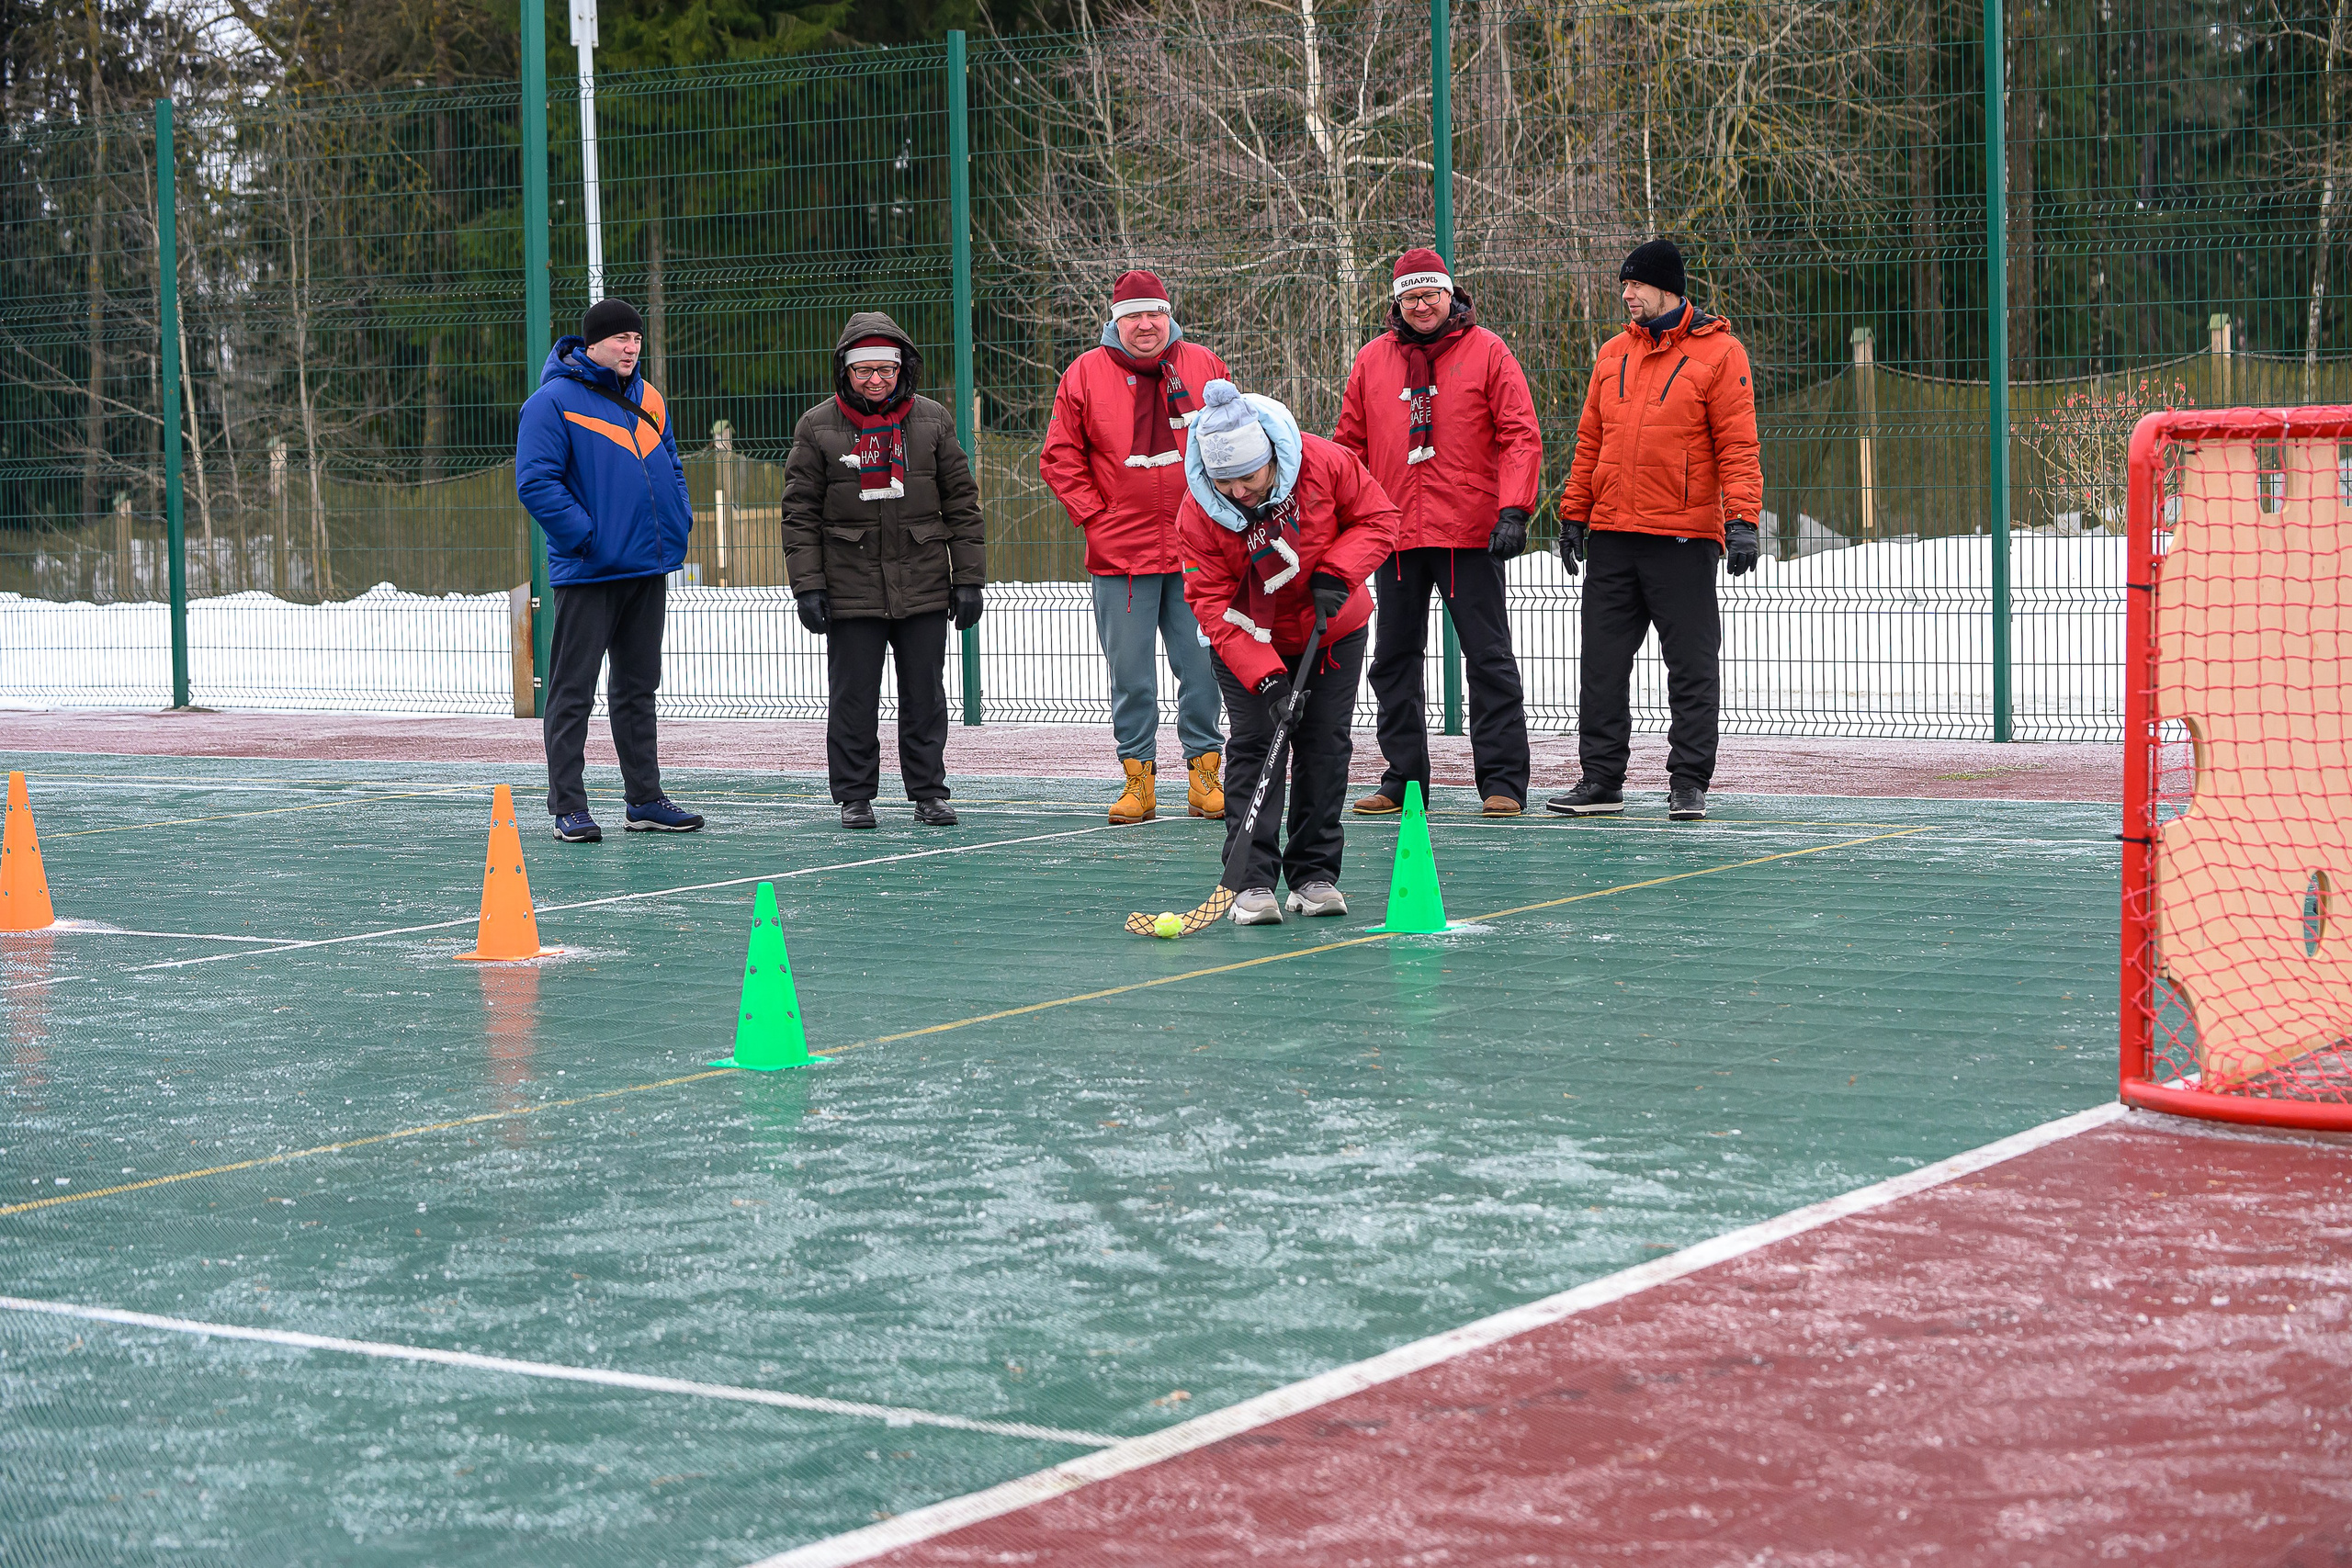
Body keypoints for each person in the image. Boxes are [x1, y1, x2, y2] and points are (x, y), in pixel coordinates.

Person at [1550, 238, 1761, 822]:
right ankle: (1600, 782)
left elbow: (1738, 444)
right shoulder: (1612, 352)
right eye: (1625, 285)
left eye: (1635, 285)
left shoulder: (1721, 354)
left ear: (1667, 287)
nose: (1627, 295)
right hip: (1613, 533)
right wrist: (1574, 514)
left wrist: (1742, 518)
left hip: (1684, 536)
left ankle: (1688, 782)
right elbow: (1591, 440)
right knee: (1601, 664)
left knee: (1691, 665)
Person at [1179, 380, 1399, 925]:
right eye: (1224, 482)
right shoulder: (1199, 512)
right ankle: (1250, 883)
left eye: (1249, 478)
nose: (1239, 493)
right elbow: (1209, 602)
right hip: (1247, 638)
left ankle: (1314, 875)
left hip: (1332, 629)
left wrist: (1337, 572)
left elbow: (1380, 518)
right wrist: (1268, 680)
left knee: (1324, 745)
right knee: (1258, 744)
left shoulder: (1324, 461)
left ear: (1272, 457)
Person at [1335, 247, 1542, 819]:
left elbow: (1519, 435)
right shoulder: (1372, 360)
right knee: (1393, 660)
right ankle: (1403, 779)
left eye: (1431, 295)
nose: (1422, 306)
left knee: (1489, 656)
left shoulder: (1489, 351)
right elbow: (1348, 447)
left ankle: (1502, 782)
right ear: (1395, 302)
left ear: (1451, 295)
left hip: (1469, 532)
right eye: (1410, 297)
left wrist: (1513, 509)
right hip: (1394, 532)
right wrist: (1347, 516)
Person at [1040, 270, 1231, 826]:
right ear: (1115, 321)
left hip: (1198, 549)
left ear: (1169, 315)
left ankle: (1204, 776)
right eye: (1133, 316)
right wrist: (1097, 517)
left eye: (1155, 313)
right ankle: (1138, 782)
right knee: (1131, 675)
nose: (1145, 325)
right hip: (1119, 555)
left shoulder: (1204, 365)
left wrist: (1227, 515)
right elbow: (1060, 457)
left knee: (1203, 667)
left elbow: (1236, 438)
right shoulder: (1084, 373)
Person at [780, 312, 985, 829]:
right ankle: (854, 795)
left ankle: (929, 792)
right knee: (854, 697)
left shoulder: (933, 421)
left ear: (904, 369)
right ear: (845, 372)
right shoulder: (817, 426)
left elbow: (962, 505)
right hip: (850, 585)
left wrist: (968, 580)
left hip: (923, 582)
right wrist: (808, 586)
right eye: (863, 370)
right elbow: (799, 512)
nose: (876, 380)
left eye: (886, 370)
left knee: (925, 693)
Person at [515, 298, 705, 843]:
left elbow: (671, 465)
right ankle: (568, 806)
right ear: (591, 344)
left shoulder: (649, 398)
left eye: (637, 340)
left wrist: (679, 521)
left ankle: (645, 799)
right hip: (589, 572)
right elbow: (537, 483)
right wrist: (588, 538)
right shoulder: (551, 403)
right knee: (573, 691)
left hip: (648, 567)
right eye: (621, 339)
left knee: (637, 689)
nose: (631, 348)